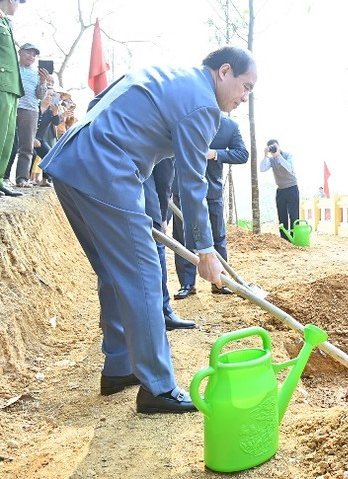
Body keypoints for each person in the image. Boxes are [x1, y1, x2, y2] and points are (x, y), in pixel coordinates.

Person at [40, 45, 257, 413]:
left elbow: (101, 104)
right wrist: (205, 251)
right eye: (246, 86)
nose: (245, 97)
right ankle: (157, 387)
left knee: (114, 272)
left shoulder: (169, 75)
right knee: (142, 273)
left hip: (72, 162)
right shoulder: (203, 104)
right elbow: (192, 183)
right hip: (105, 170)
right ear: (224, 71)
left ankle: (120, 366)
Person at [173, 115, 249, 299]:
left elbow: (242, 154)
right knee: (182, 236)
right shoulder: (184, 119)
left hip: (212, 189)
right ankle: (187, 284)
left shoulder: (229, 126)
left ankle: (220, 282)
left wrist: (215, 154)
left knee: (218, 236)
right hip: (182, 188)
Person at [142, 158, 196, 330]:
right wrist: (163, 215)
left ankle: (114, 316)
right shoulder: (166, 131)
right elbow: (164, 176)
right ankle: (163, 312)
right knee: (155, 256)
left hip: (109, 198)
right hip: (145, 202)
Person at [0, 0, 26, 199]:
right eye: (18, 1)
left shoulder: (5, 23)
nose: (18, 6)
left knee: (7, 136)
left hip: (10, 86)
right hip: (1, 84)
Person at [13, 42, 48, 187]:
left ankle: (22, 179)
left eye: (34, 55)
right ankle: (4, 176)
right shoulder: (12, 69)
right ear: (20, 52)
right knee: (8, 144)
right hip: (12, 107)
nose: (31, 56)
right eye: (28, 53)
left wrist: (43, 81)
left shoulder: (37, 74)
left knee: (27, 146)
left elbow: (40, 96)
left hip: (31, 111)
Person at [260, 138, 299, 240]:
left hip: (292, 188)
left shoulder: (287, 155)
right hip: (281, 189)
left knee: (294, 215)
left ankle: (295, 238)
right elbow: (262, 169)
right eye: (271, 148)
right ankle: (284, 240)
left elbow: (289, 168)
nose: (274, 149)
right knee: (282, 216)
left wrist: (278, 156)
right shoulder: (271, 160)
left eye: (275, 147)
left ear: (279, 146)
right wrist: (265, 155)